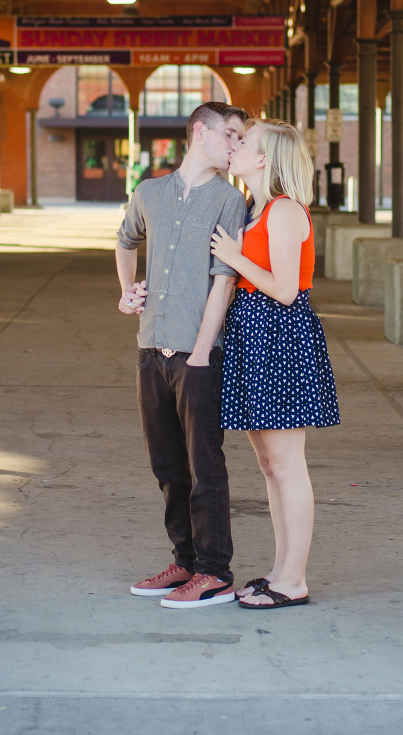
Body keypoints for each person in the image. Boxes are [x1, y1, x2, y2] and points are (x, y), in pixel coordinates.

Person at [116, 101, 248, 609]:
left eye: (241, 139)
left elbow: (224, 281)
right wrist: (127, 291)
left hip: (198, 353)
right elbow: (125, 240)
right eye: (231, 136)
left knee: (204, 465)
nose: (237, 146)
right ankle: (185, 562)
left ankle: (215, 572)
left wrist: (200, 352)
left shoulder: (229, 201)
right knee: (166, 464)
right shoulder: (149, 192)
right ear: (200, 132)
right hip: (151, 348)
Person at [210, 118, 340, 610]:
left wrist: (234, 257)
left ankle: (295, 580)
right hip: (255, 336)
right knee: (269, 465)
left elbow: (286, 290)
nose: (235, 146)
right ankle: (281, 570)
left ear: (263, 159)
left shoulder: (285, 211)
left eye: (244, 142)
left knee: (287, 465)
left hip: (280, 338)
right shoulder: (255, 207)